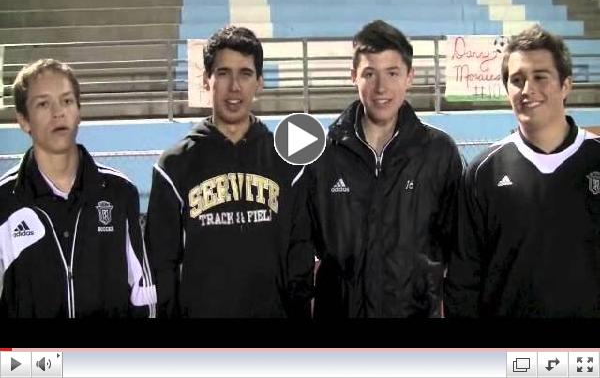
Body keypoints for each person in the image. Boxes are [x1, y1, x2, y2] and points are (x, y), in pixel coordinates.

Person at [145, 25, 313, 317]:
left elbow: (299, 262)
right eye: (223, 73)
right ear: (207, 80)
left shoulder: (288, 163)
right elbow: (161, 266)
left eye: (245, 74)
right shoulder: (174, 166)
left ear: (259, 82)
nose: (234, 87)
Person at [305, 19, 463, 317]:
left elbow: (459, 251)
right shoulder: (321, 155)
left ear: (409, 77)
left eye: (392, 73)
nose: (381, 87)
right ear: (354, 76)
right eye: (369, 73)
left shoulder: (439, 153)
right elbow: (302, 248)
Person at [445, 25, 600, 317]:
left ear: (566, 84)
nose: (528, 90)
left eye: (540, 76)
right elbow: (464, 278)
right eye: (517, 80)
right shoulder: (483, 173)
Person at [0, 58, 156, 318]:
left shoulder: (119, 192)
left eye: (67, 101)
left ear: (79, 110)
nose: (58, 112)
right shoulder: (6, 200)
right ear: (23, 120)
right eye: (43, 104)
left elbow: (142, 290)